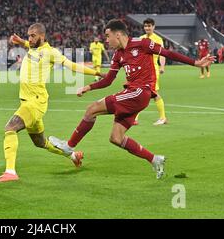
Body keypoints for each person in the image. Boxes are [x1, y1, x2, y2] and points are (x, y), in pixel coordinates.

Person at [49, 19, 215, 179]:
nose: (106, 40)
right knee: (116, 138)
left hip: (141, 92)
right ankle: (154, 159)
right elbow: (108, 80)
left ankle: (68, 146)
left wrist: (196, 63)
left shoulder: (142, 44)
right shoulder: (118, 55)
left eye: (108, 36)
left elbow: (168, 53)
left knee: (92, 109)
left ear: (118, 35)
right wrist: (88, 87)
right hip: (133, 95)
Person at [0, 23, 102, 183]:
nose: (29, 39)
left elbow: (72, 66)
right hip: (27, 102)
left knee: (10, 128)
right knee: (40, 142)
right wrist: (20, 41)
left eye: (32, 36)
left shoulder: (51, 53)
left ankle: (10, 172)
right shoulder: (32, 47)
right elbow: (28, 44)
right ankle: (73, 156)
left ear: (41, 37)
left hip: (35, 102)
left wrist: (97, 73)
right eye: (28, 36)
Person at [134, 18, 167, 126]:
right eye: (145, 26)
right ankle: (135, 118)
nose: (147, 28)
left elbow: (162, 54)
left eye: (149, 26)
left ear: (153, 27)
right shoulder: (141, 38)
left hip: (153, 71)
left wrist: (162, 66)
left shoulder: (158, 39)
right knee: (140, 93)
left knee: (153, 94)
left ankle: (162, 118)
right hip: (142, 71)